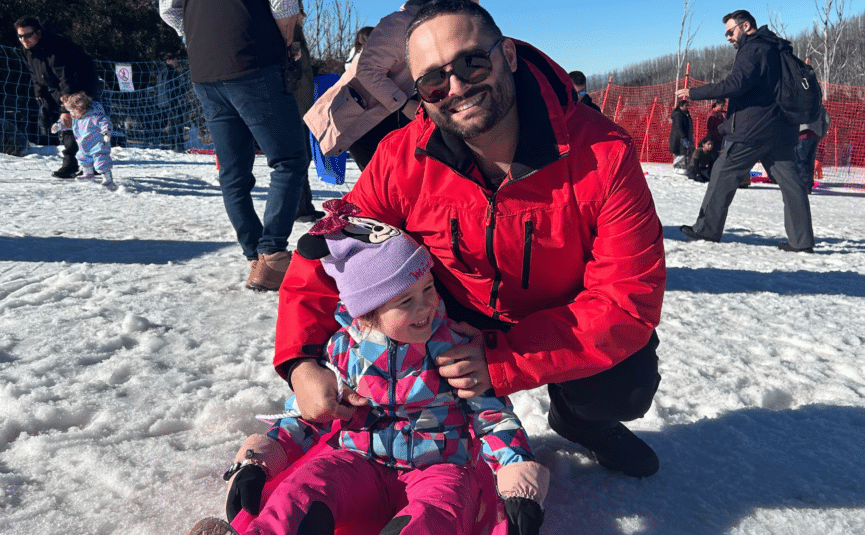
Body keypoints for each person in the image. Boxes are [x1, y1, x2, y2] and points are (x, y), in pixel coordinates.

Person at [279, 0, 666, 480]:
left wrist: (502, 358)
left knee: (623, 386)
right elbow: (334, 246)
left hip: (558, 316)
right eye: (433, 81)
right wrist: (299, 361)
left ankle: (582, 424)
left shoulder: (604, 154)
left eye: (471, 62)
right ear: (418, 93)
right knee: (381, 327)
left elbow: (627, 301)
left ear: (507, 54)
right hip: (444, 310)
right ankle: (420, 432)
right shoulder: (403, 156)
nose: (456, 87)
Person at [187, 203, 549, 535]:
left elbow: (493, 417)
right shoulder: (343, 351)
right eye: (406, 301)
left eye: (428, 289)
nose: (425, 307)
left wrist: (516, 481)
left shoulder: (454, 346)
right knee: (307, 485)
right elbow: (309, 415)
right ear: (366, 312)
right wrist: (261, 458)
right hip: (359, 461)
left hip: (438, 468)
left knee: (439, 512)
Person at [159, 0, 310, 290]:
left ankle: (256, 257)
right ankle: (273, 254)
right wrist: (288, 41)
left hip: (204, 69)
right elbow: (283, 4)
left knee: (233, 172)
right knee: (289, 159)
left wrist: (199, 33)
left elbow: (168, 9)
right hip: (254, 59)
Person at [676, 9, 815, 253]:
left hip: (751, 130)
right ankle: (801, 241)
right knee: (792, 183)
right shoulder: (776, 47)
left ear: (746, 26)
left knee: (721, 174)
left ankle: (707, 230)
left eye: (730, 32)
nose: (728, 37)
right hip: (781, 129)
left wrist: (694, 93)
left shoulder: (752, 49)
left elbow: (736, 84)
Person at [304, 0, 441, 171]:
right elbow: (368, 71)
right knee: (386, 187)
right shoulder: (400, 24)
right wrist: (403, 103)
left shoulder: (436, 30)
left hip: (395, 118)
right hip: (366, 119)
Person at [15, 16, 101, 179]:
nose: (23, 40)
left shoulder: (56, 47)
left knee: (75, 121)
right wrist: (41, 95)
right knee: (65, 121)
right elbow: (35, 74)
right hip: (58, 84)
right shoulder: (26, 50)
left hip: (81, 81)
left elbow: (66, 78)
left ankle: (72, 164)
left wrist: (66, 109)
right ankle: (90, 162)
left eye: (27, 35)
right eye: (20, 36)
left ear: (38, 33)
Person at [290, 5, 326, 223]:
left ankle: (303, 205)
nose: (303, 14)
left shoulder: (296, 34)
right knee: (298, 158)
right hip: (294, 107)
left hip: (302, 106)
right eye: (299, 8)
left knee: (303, 157)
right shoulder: (290, 35)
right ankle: (298, 208)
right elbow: (295, 68)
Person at [56, 92, 115, 189]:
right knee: (82, 158)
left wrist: (107, 132)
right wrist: (59, 126)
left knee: (101, 161)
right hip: (84, 145)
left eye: (71, 111)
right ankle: (88, 174)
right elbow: (68, 125)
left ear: (80, 109)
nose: (70, 113)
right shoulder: (76, 117)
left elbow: (105, 123)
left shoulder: (94, 116)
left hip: (98, 145)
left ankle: (107, 178)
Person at [796, 104, 830, 194]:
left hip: (802, 134)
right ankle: (808, 184)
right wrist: (821, 134)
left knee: (801, 162)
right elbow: (827, 120)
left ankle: (804, 188)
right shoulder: (818, 105)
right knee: (810, 162)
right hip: (815, 136)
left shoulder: (798, 102)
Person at [155, 56, 186, 152]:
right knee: (177, 123)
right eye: (175, 59)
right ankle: (178, 146)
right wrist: (179, 97)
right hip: (172, 101)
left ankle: (174, 145)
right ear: (169, 60)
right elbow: (170, 87)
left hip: (163, 102)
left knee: (171, 123)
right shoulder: (170, 71)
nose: (177, 61)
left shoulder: (162, 71)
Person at [669, 99, 693, 174]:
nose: (687, 107)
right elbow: (678, 127)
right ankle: (677, 167)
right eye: (685, 105)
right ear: (681, 106)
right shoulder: (678, 115)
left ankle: (685, 167)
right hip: (678, 138)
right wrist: (683, 137)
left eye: (687, 105)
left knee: (686, 152)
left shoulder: (686, 114)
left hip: (686, 136)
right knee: (680, 153)